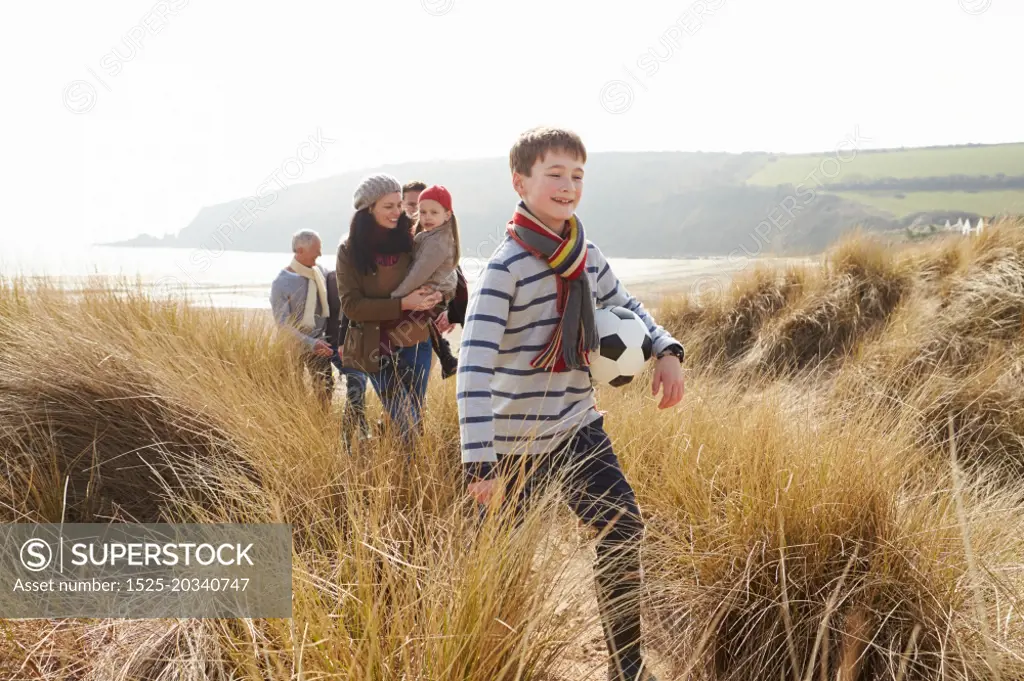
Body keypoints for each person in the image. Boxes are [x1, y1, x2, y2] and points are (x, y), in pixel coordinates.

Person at [456, 127, 685, 681]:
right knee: (504, 561)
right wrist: (480, 463)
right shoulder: (503, 271)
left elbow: (625, 304)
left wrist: (664, 348)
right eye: (554, 174)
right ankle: (497, 661)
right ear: (521, 181)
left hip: (578, 426)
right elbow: (473, 369)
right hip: (515, 444)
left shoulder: (586, 253)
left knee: (622, 527)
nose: (568, 186)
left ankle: (626, 665)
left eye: (577, 175)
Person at [336, 173, 443, 443]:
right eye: (389, 206)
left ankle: (404, 475)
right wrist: (403, 304)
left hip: (417, 342)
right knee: (405, 421)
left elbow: (441, 272)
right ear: (368, 208)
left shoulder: (415, 240)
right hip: (376, 348)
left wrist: (438, 298)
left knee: (415, 419)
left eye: (399, 204)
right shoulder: (349, 250)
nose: (398, 212)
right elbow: (352, 306)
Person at [389, 184, 461, 379]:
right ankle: (445, 358)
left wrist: (394, 298)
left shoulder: (438, 241)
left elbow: (418, 274)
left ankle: (446, 358)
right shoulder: (426, 235)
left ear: (447, 215)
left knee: (424, 317)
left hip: (431, 292)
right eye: (422, 211)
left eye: (433, 212)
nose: (426, 216)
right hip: (428, 291)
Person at [270, 229, 335, 410]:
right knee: (293, 396)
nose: (320, 254)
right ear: (300, 250)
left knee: (325, 392)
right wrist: (310, 342)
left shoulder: (320, 272)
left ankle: (322, 428)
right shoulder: (281, 283)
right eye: (316, 250)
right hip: (293, 346)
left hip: (319, 346)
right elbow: (282, 325)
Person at [326, 269, 370, 442]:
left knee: (358, 386)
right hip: (336, 346)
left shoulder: (368, 280)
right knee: (357, 380)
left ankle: (348, 439)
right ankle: (360, 428)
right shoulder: (330, 279)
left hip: (363, 347)